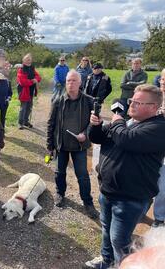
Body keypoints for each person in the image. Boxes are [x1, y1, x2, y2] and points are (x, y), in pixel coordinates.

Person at [85, 84, 165, 268]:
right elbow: (98, 138)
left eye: (138, 102)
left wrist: (117, 120)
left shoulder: (158, 128)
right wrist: (95, 125)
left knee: (119, 241)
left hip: (130, 198)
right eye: (131, 101)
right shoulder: (129, 122)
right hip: (108, 191)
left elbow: (127, 139)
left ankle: (125, 265)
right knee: (106, 230)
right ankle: (107, 261)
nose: (132, 105)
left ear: (154, 107)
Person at [46, 70, 98, 219]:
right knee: (59, 172)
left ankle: (88, 203)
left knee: (82, 175)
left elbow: (94, 123)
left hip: (80, 146)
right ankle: (60, 194)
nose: (71, 83)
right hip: (61, 144)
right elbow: (51, 123)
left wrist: (86, 134)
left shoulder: (89, 100)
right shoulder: (57, 100)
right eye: (69, 81)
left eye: (74, 80)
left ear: (80, 83)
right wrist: (50, 145)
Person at [152, 69, 165, 228]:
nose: (163, 82)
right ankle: (140, 208)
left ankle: (159, 217)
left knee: (162, 184)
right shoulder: (155, 95)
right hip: (152, 144)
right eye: (162, 78)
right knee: (147, 177)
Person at [17, 53, 41, 129]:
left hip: (31, 92)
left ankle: (26, 122)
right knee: (23, 108)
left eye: (30, 60)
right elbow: (22, 82)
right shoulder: (21, 70)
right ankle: (20, 123)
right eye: (27, 60)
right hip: (24, 92)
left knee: (29, 107)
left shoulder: (32, 68)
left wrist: (35, 79)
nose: (28, 61)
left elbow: (39, 77)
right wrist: (33, 81)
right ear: (23, 61)